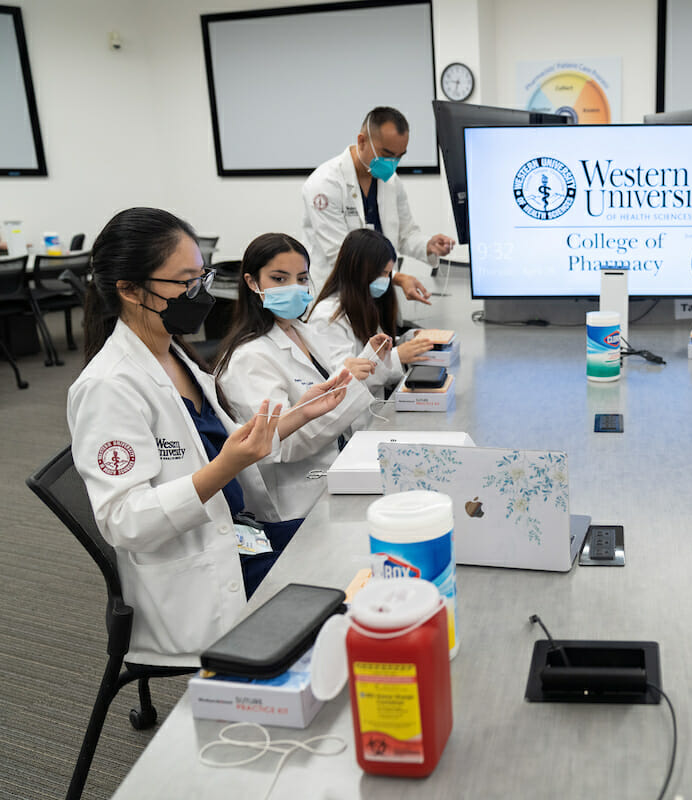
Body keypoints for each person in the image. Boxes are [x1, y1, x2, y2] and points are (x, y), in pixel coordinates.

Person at [68, 208, 352, 666]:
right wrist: (225, 469)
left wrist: (301, 413)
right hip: (203, 576)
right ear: (128, 289)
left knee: (349, 543)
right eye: (184, 283)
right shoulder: (108, 386)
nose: (198, 295)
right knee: (345, 593)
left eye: (200, 279)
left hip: (242, 536)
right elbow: (123, 520)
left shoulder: (175, 353)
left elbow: (228, 442)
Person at [213, 233, 382, 519]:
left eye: (302, 278)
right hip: (296, 503)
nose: (294, 287)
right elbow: (283, 444)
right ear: (252, 282)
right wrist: (348, 388)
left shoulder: (303, 331)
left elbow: (329, 399)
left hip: (333, 475)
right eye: (279, 279)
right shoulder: (249, 358)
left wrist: (353, 377)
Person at [300, 106, 455, 298]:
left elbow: (405, 234)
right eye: (387, 154)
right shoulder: (324, 185)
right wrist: (397, 278)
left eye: (399, 156)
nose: (392, 163)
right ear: (362, 141)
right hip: (337, 295)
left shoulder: (390, 181)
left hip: (379, 296)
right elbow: (340, 256)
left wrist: (428, 245)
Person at [306, 228, 433, 398]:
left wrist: (408, 340)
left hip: (371, 409)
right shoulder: (327, 317)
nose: (386, 281)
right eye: (382, 273)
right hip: (353, 420)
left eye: (389, 274)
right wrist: (397, 356)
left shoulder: (363, 302)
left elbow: (370, 347)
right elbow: (342, 381)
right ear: (358, 270)